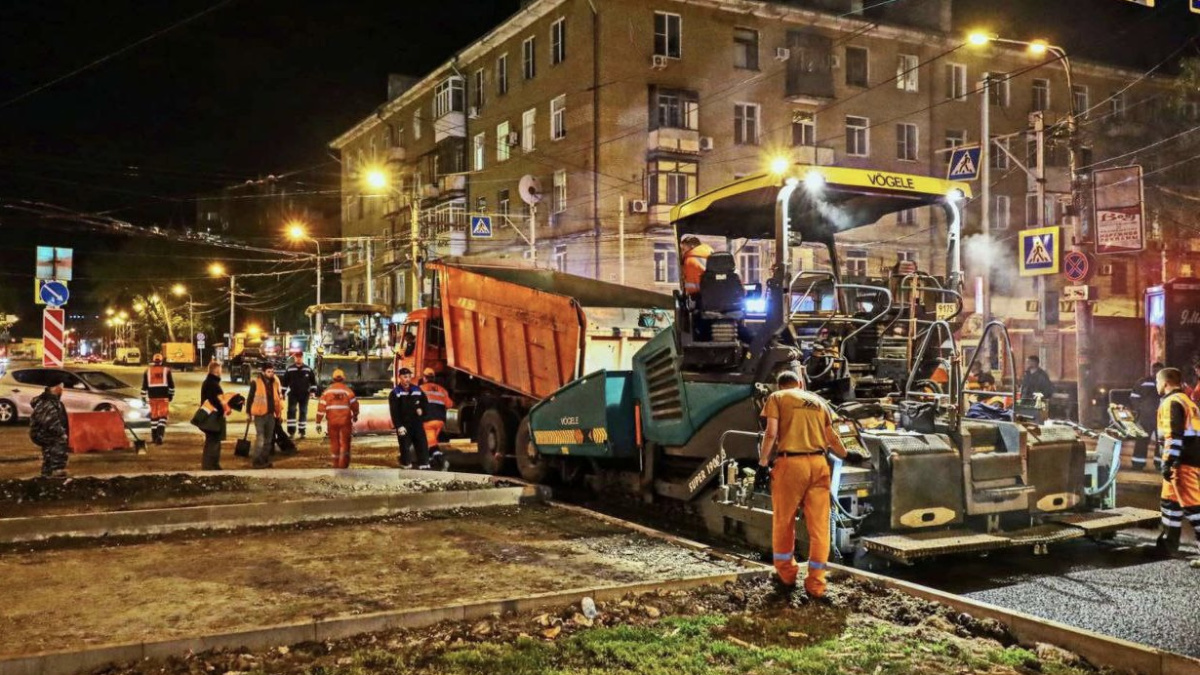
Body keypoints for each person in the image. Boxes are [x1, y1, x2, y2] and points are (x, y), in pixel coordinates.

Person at [756, 370, 856, 600]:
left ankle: (787, 576)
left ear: (779, 385)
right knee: (820, 527)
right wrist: (849, 454)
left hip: (791, 464)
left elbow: (770, 434)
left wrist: (762, 463)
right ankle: (816, 584)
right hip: (819, 465)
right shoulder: (818, 402)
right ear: (800, 383)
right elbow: (832, 438)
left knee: (784, 521)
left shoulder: (777, 398)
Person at [1154, 367, 1200, 558]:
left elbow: (1174, 436)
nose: (1157, 385)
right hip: (1189, 459)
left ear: (1165, 383)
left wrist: (1168, 462)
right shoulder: (1187, 400)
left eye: (1157, 382)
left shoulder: (1172, 402)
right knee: (1169, 503)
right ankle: (1168, 545)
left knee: (1194, 509)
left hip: (1182, 463)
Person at [198, 361, 245, 471]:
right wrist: (225, 408)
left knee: (214, 441)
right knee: (212, 442)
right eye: (220, 369)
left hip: (211, 416)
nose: (221, 371)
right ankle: (210, 466)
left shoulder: (210, 382)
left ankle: (213, 464)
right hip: (212, 417)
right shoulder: (212, 384)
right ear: (217, 371)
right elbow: (216, 401)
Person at [315, 369, 360, 469]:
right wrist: (356, 415)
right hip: (345, 422)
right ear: (343, 378)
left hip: (332, 422)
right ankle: (344, 465)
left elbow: (321, 408)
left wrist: (318, 422)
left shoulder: (327, 392)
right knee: (345, 443)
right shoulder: (347, 391)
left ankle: (336, 464)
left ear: (333, 379)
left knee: (334, 442)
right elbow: (355, 405)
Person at [245, 361, 284, 469]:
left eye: (272, 371)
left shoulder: (274, 383)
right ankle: (256, 461)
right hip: (259, 415)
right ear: (263, 372)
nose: (271, 373)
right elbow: (250, 399)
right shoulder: (256, 383)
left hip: (271, 415)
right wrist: (248, 413)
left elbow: (277, 400)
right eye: (269, 371)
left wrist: (279, 414)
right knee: (260, 439)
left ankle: (263, 460)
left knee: (268, 440)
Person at [389, 367, 429, 469]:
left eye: (409, 377)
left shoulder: (417, 389)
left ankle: (424, 464)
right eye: (405, 377)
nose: (407, 379)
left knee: (421, 443)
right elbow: (394, 412)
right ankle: (406, 464)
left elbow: (425, 403)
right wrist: (399, 426)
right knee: (404, 445)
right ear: (400, 377)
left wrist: (422, 410)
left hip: (416, 423)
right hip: (404, 424)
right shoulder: (395, 393)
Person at [1130, 362, 1165, 472]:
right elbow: (1134, 396)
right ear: (1152, 370)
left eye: (1159, 371)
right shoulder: (1143, 382)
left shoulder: (1165, 383)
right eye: (1155, 370)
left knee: (1161, 441)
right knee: (1142, 439)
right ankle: (1138, 463)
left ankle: (1159, 463)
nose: (1156, 373)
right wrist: (1140, 409)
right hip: (1147, 416)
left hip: (1160, 416)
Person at [30, 383, 70, 478]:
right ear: (56, 389)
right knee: (59, 443)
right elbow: (51, 422)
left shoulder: (51, 401)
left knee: (49, 450)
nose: (62, 390)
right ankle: (57, 469)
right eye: (61, 387)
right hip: (44, 433)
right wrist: (62, 433)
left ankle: (47, 472)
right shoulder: (47, 403)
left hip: (44, 432)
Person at [420, 368, 454, 468]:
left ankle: (441, 460)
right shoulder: (442, 390)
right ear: (434, 378)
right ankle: (430, 461)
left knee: (431, 444)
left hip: (427, 422)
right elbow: (449, 404)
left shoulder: (420, 389)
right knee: (431, 442)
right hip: (440, 421)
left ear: (424, 378)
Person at [280, 350, 318, 439]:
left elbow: (313, 382)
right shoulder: (290, 369)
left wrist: (312, 392)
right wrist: (282, 393)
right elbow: (285, 383)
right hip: (293, 394)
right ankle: (291, 432)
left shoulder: (308, 369)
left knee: (303, 412)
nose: (298, 358)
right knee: (291, 412)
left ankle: (302, 431)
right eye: (297, 357)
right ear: (294, 358)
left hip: (304, 395)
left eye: (300, 357)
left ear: (302, 357)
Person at [140, 353, 176, 445]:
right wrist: (171, 395)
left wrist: (143, 397)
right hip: (163, 397)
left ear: (153, 361)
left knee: (154, 417)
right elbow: (171, 386)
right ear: (161, 361)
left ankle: (154, 437)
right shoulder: (166, 370)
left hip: (152, 397)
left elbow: (144, 386)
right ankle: (160, 435)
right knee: (163, 417)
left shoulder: (147, 371)